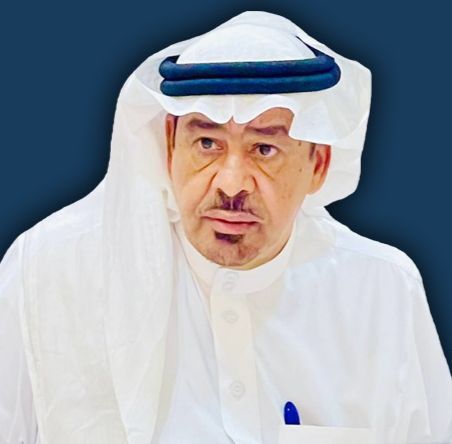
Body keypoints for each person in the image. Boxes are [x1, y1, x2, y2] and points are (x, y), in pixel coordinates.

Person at [0, 10, 451, 444]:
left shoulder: (382, 289)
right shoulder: (47, 270)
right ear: (170, 146)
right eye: (207, 143)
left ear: (319, 164)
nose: (231, 183)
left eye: (264, 149)